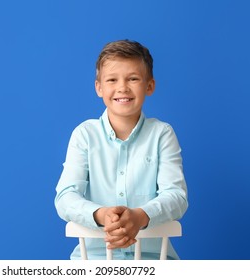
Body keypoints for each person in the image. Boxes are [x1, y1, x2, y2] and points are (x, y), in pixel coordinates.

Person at [54, 39, 188, 260]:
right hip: (93, 261)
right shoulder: (84, 134)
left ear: (149, 86)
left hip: (154, 261)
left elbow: (176, 196)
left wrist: (140, 216)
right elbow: (66, 196)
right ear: (99, 87)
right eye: (112, 79)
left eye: (133, 79)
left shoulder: (162, 134)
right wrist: (100, 214)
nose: (122, 88)